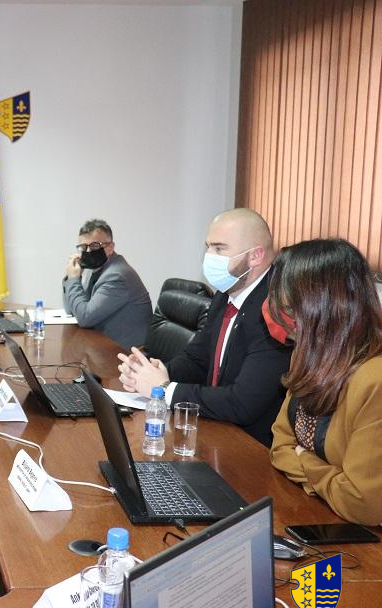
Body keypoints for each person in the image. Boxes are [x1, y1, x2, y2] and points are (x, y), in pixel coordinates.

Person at [117, 208, 292, 445]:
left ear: (255, 256)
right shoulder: (225, 296)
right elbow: (197, 359)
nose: (208, 256)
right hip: (215, 429)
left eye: (219, 249)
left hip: (252, 446)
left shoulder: (276, 310)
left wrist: (164, 389)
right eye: (208, 247)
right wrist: (156, 372)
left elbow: (242, 403)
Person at [268, 239, 382, 525]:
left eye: (293, 313)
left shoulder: (374, 380)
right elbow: (279, 446)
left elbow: (361, 503)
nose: (287, 323)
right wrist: (327, 478)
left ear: (325, 307)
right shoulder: (309, 356)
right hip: (316, 512)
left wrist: (301, 458)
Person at [61, 219, 152, 349]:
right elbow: (72, 310)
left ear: (110, 247)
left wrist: (73, 280)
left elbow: (85, 318)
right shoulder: (96, 268)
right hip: (103, 345)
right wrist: (72, 277)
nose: (88, 252)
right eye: (83, 247)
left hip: (126, 353)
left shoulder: (116, 276)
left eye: (94, 246)